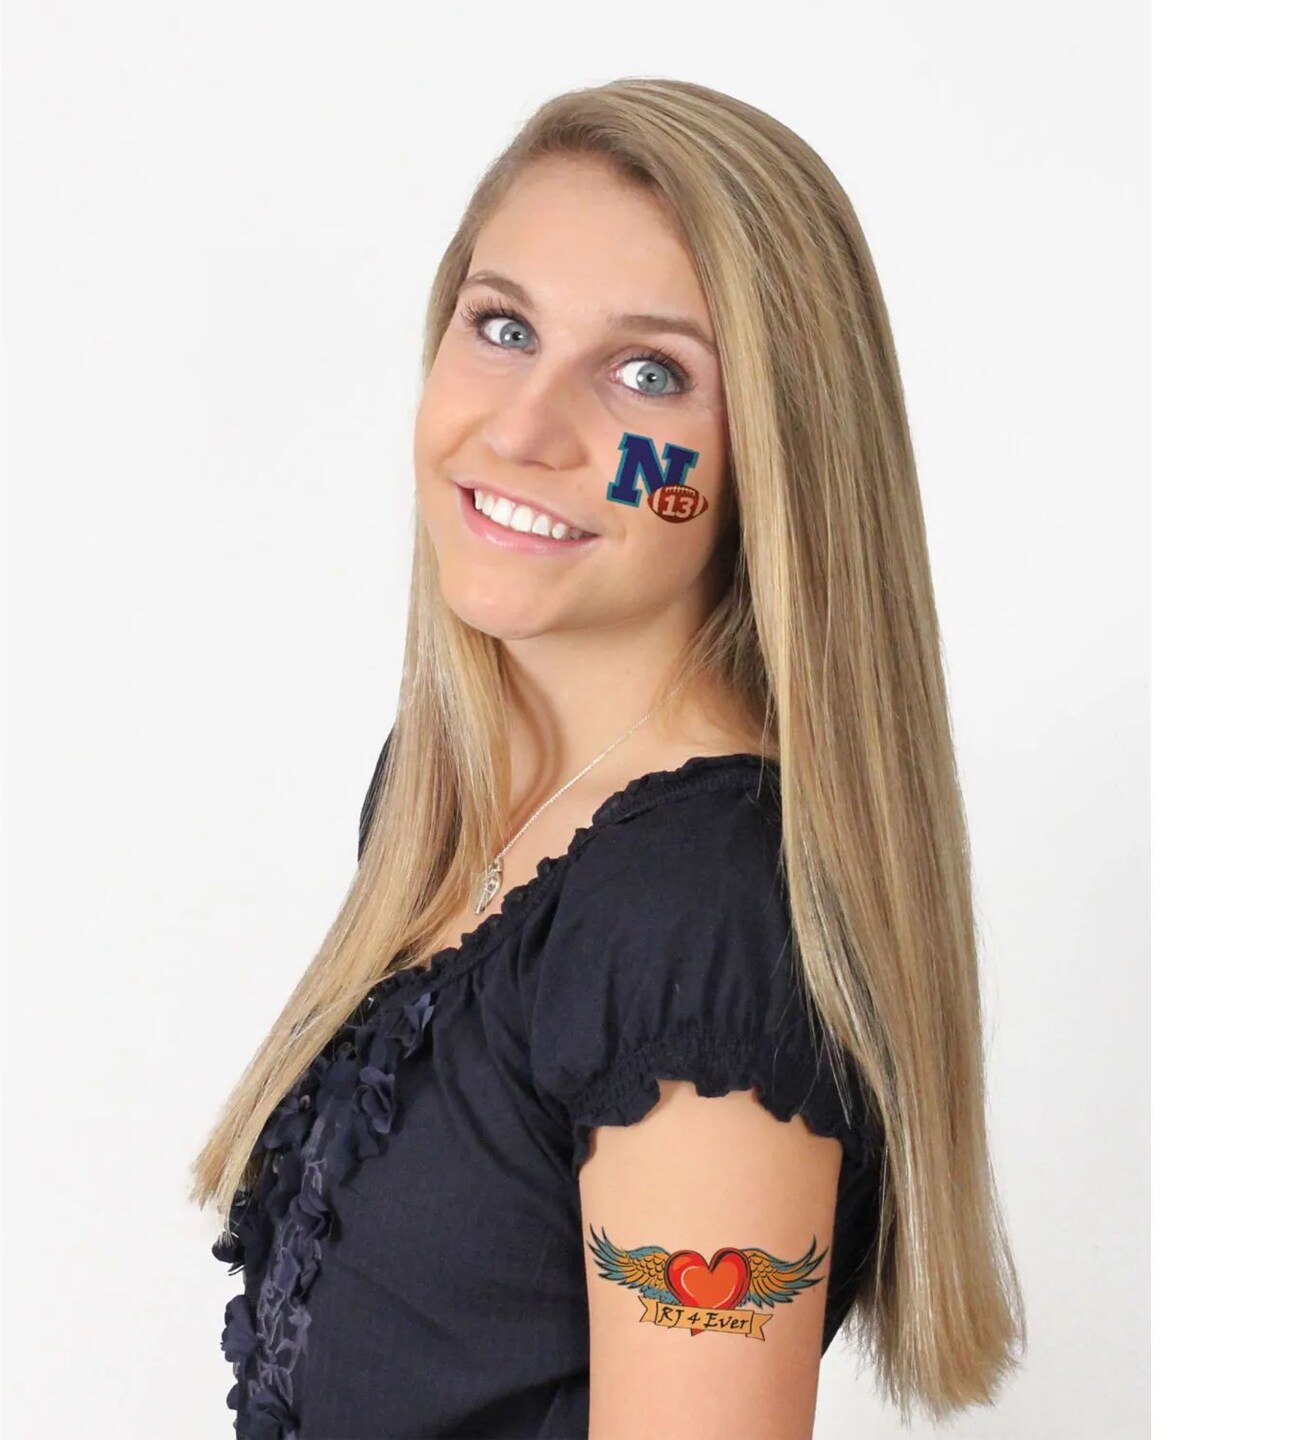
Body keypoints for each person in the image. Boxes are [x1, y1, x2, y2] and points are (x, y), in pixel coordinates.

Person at [190, 77, 1026, 1439]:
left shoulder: (697, 924)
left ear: (771, 453)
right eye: (503, 326)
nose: (523, 429)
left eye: (650, 373)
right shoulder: (455, 787)